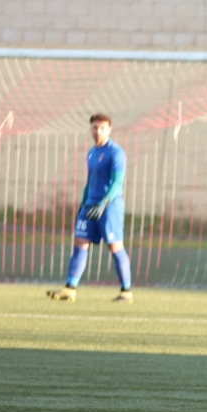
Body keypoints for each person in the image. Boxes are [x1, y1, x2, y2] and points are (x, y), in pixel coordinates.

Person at [47, 113, 133, 303]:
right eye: (95, 127)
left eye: (102, 128)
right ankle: (70, 289)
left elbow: (117, 182)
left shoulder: (116, 152)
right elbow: (90, 182)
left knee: (115, 246)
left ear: (109, 129)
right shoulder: (92, 152)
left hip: (110, 206)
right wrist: (82, 205)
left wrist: (104, 203)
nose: (98, 131)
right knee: (80, 241)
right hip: (90, 205)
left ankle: (126, 292)